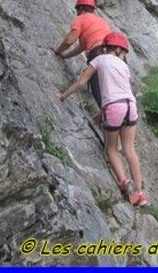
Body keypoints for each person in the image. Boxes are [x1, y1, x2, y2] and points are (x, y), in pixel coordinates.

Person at [57, 31, 147, 207]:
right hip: (130, 106)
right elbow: (122, 91)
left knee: (111, 149)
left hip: (113, 107)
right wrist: (102, 112)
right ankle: (140, 193)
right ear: (122, 51)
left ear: (106, 47)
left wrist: (63, 96)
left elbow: (82, 82)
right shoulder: (124, 66)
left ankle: (123, 182)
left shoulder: (99, 60)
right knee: (129, 150)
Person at [52, 0, 110, 113]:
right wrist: (65, 56)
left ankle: (108, 115)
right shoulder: (101, 21)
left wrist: (58, 50)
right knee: (110, 86)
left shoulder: (81, 19)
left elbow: (69, 40)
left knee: (97, 87)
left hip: (98, 52)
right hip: (114, 53)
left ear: (80, 9)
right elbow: (81, 47)